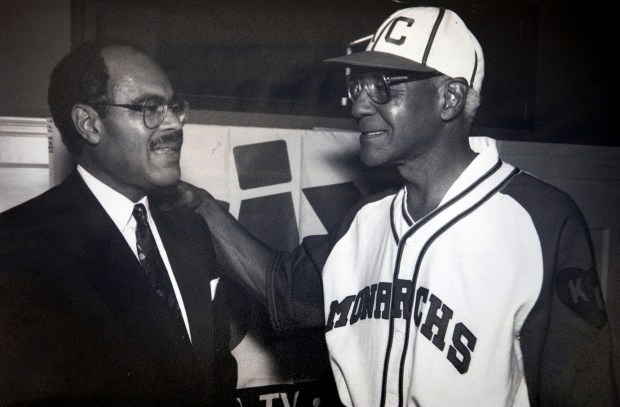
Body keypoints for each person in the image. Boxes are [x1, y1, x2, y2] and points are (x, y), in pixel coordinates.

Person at [159, 6, 617, 407]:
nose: (359, 104)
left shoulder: (538, 219)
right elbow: (284, 291)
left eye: (384, 86)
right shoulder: (366, 220)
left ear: (449, 98)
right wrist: (197, 203)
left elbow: (580, 392)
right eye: (358, 84)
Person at [0, 40, 237, 406]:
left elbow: (216, 369)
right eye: (150, 108)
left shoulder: (191, 230)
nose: (174, 123)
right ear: (89, 124)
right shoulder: (19, 247)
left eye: (174, 106)